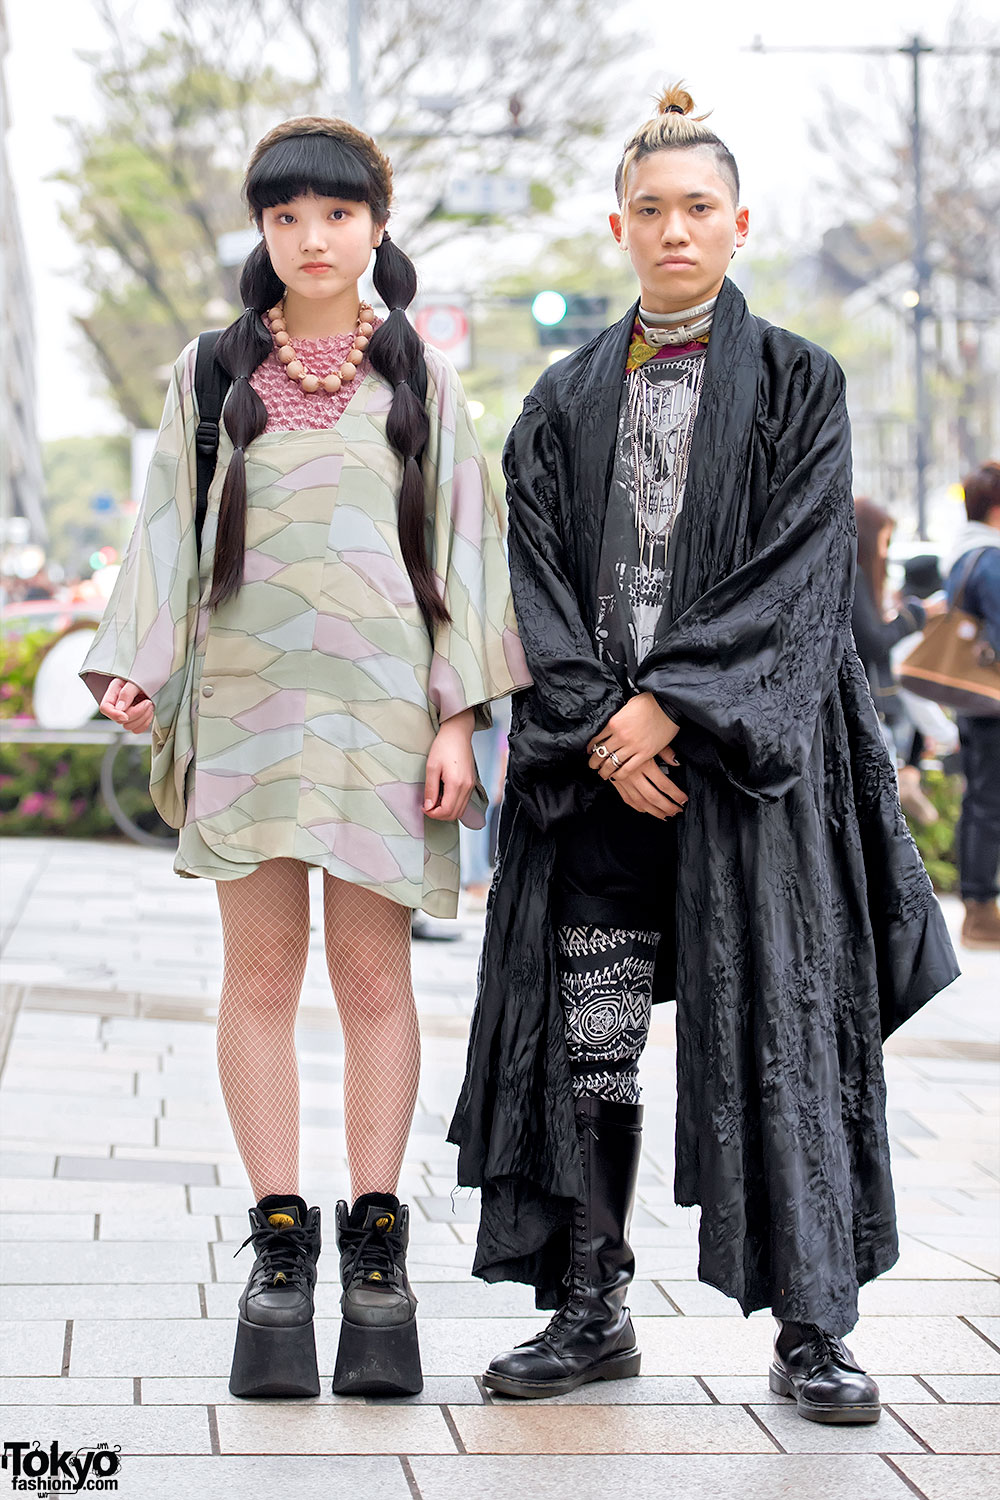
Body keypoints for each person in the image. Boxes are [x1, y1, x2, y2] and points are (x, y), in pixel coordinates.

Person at [449, 86, 959, 1424]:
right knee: (594, 1042)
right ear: (619, 227)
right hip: (601, 782)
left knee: (782, 1035)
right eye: (651, 210)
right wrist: (602, 727)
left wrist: (669, 703)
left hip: (750, 780)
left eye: (698, 208)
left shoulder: (799, 382)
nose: (674, 230)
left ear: (740, 224)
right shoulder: (560, 399)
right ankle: (592, 1303)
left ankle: (813, 1327)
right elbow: (531, 582)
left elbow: (799, 574)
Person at [80, 116, 530, 1400]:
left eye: (336, 214)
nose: (312, 237)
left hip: (385, 720)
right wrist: (141, 666)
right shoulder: (209, 371)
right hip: (247, 711)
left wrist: (458, 718)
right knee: (262, 974)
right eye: (286, 217)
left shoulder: (423, 378)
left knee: (376, 979)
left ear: (376, 227)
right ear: (263, 231)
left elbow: (466, 557)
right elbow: (167, 531)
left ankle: (376, 1255)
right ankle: (280, 1250)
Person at [851, 498, 945, 823]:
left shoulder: (853, 577)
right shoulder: (855, 577)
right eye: (884, 540)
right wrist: (915, 615)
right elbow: (874, 642)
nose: (885, 551)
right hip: (871, 711)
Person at [945, 461, 1000, 949]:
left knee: (979, 799)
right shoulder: (991, 559)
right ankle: (981, 913)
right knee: (987, 803)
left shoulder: (962, 555)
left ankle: (978, 908)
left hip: (972, 699)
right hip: (993, 701)